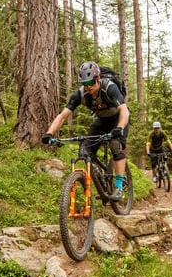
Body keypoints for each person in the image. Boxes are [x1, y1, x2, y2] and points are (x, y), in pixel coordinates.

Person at [41, 61, 130, 201]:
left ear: (98, 79)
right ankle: (102, 185)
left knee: (115, 145)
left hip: (118, 119)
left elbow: (124, 110)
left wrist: (119, 128)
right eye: (84, 83)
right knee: (85, 151)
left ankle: (118, 187)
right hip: (101, 120)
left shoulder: (110, 88)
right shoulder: (80, 94)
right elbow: (62, 116)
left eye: (90, 83)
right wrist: (49, 133)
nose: (88, 87)